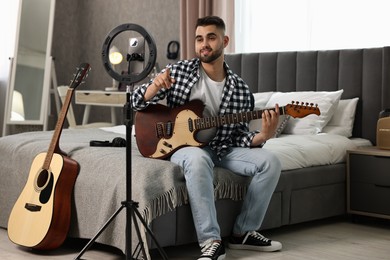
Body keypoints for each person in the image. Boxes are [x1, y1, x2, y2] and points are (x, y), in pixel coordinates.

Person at [132, 15, 282, 260]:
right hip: (183, 146)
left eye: (211, 38)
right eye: (199, 39)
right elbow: (134, 102)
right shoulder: (178, 72)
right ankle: (211, 241)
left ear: (224, 40)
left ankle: (243, 233)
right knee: (199, 159)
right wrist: (154, 88)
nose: (204, 44)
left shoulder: (241, 89)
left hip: (222, 149)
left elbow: (239, 136)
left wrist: (264, 135)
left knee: (270, 162)